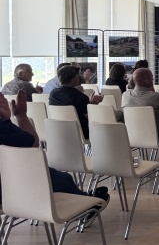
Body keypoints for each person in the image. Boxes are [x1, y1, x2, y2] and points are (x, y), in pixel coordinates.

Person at [0, 90, 109, 226]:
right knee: (57, 177)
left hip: (8, 189)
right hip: (12, 194)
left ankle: (83, 199)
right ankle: (85, 207)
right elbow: (32, 145)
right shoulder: (2, 127)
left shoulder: (54, 94)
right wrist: (21, 116)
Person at [121, 68, 159, 175]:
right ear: (147, 81)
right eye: (152, 78)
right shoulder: (155, 96)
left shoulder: (125, 95)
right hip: (156, 137)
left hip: (132, 136)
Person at [49, 65, 104, 140]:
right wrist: (94, 103)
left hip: (59, 131)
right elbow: (90, 115)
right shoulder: (79, 96)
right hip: (81, 132)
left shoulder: (53, 94)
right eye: (78, 77)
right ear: (73, 80)